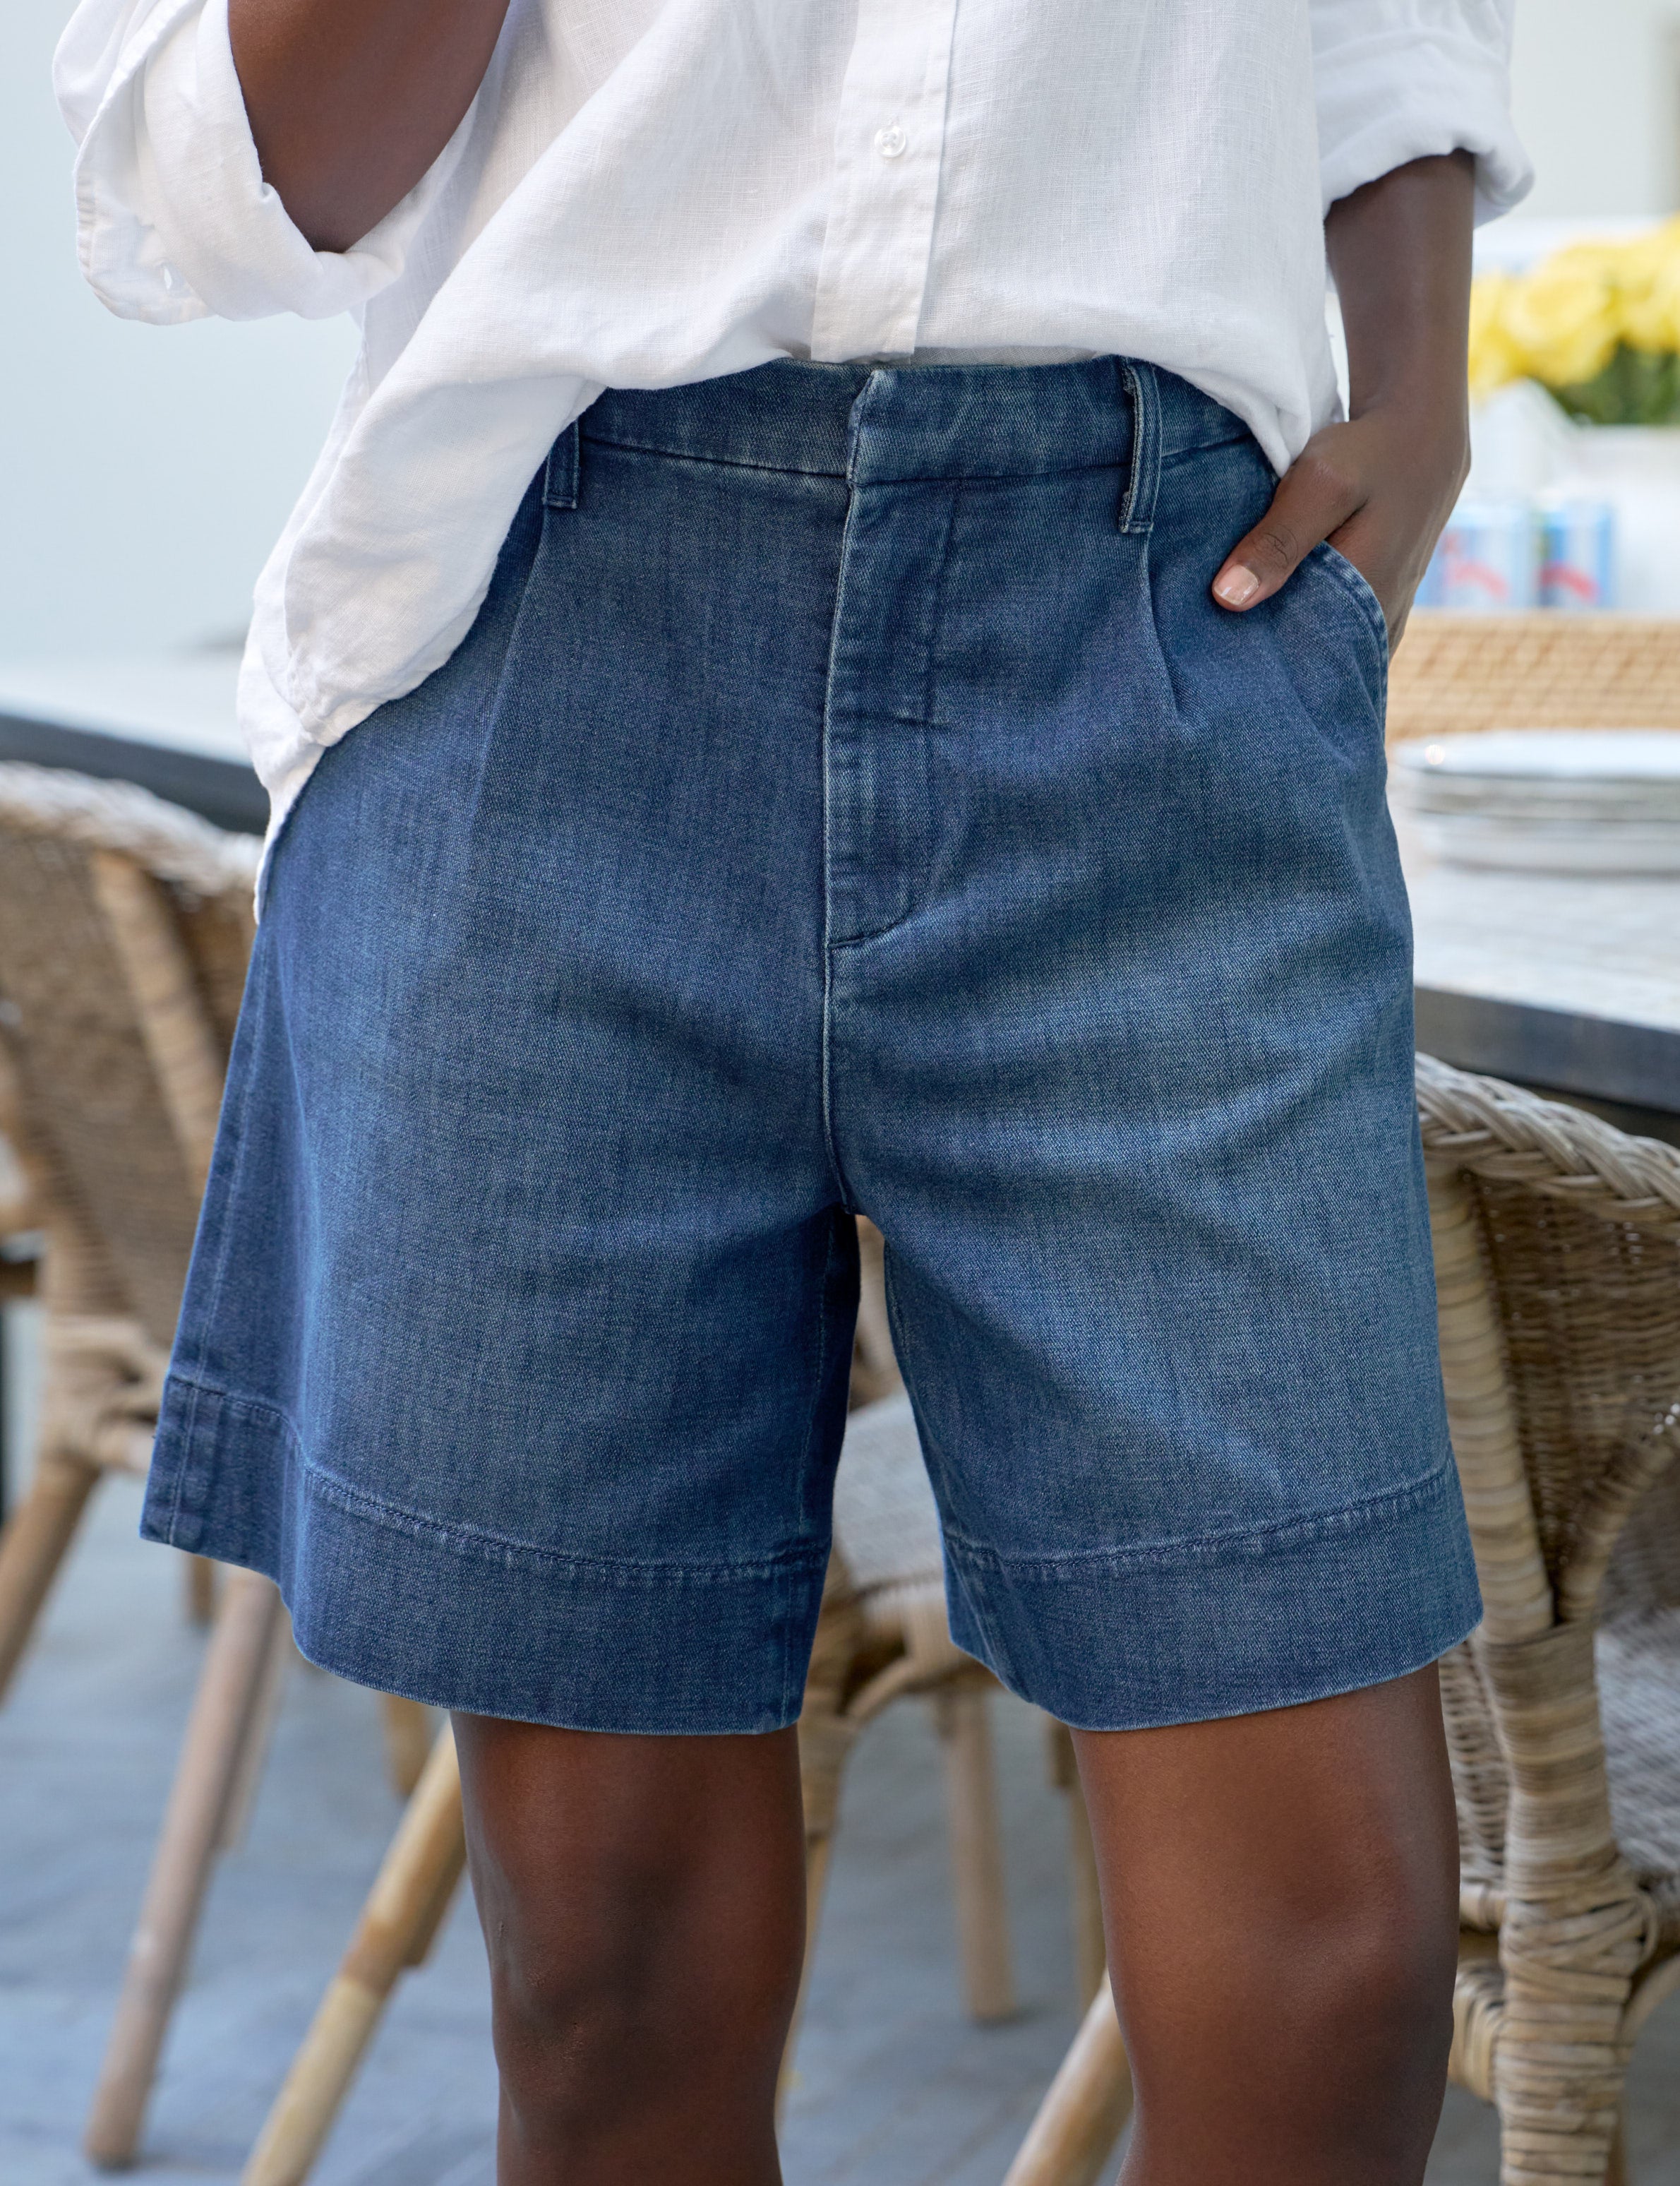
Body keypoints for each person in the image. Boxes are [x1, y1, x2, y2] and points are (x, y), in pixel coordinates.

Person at [56, 4, 1528, 2180]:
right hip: (538, 652)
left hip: (1153, 643)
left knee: (1337, 1961)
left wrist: (1412, 376)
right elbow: (240, 183)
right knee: (606, 1968)